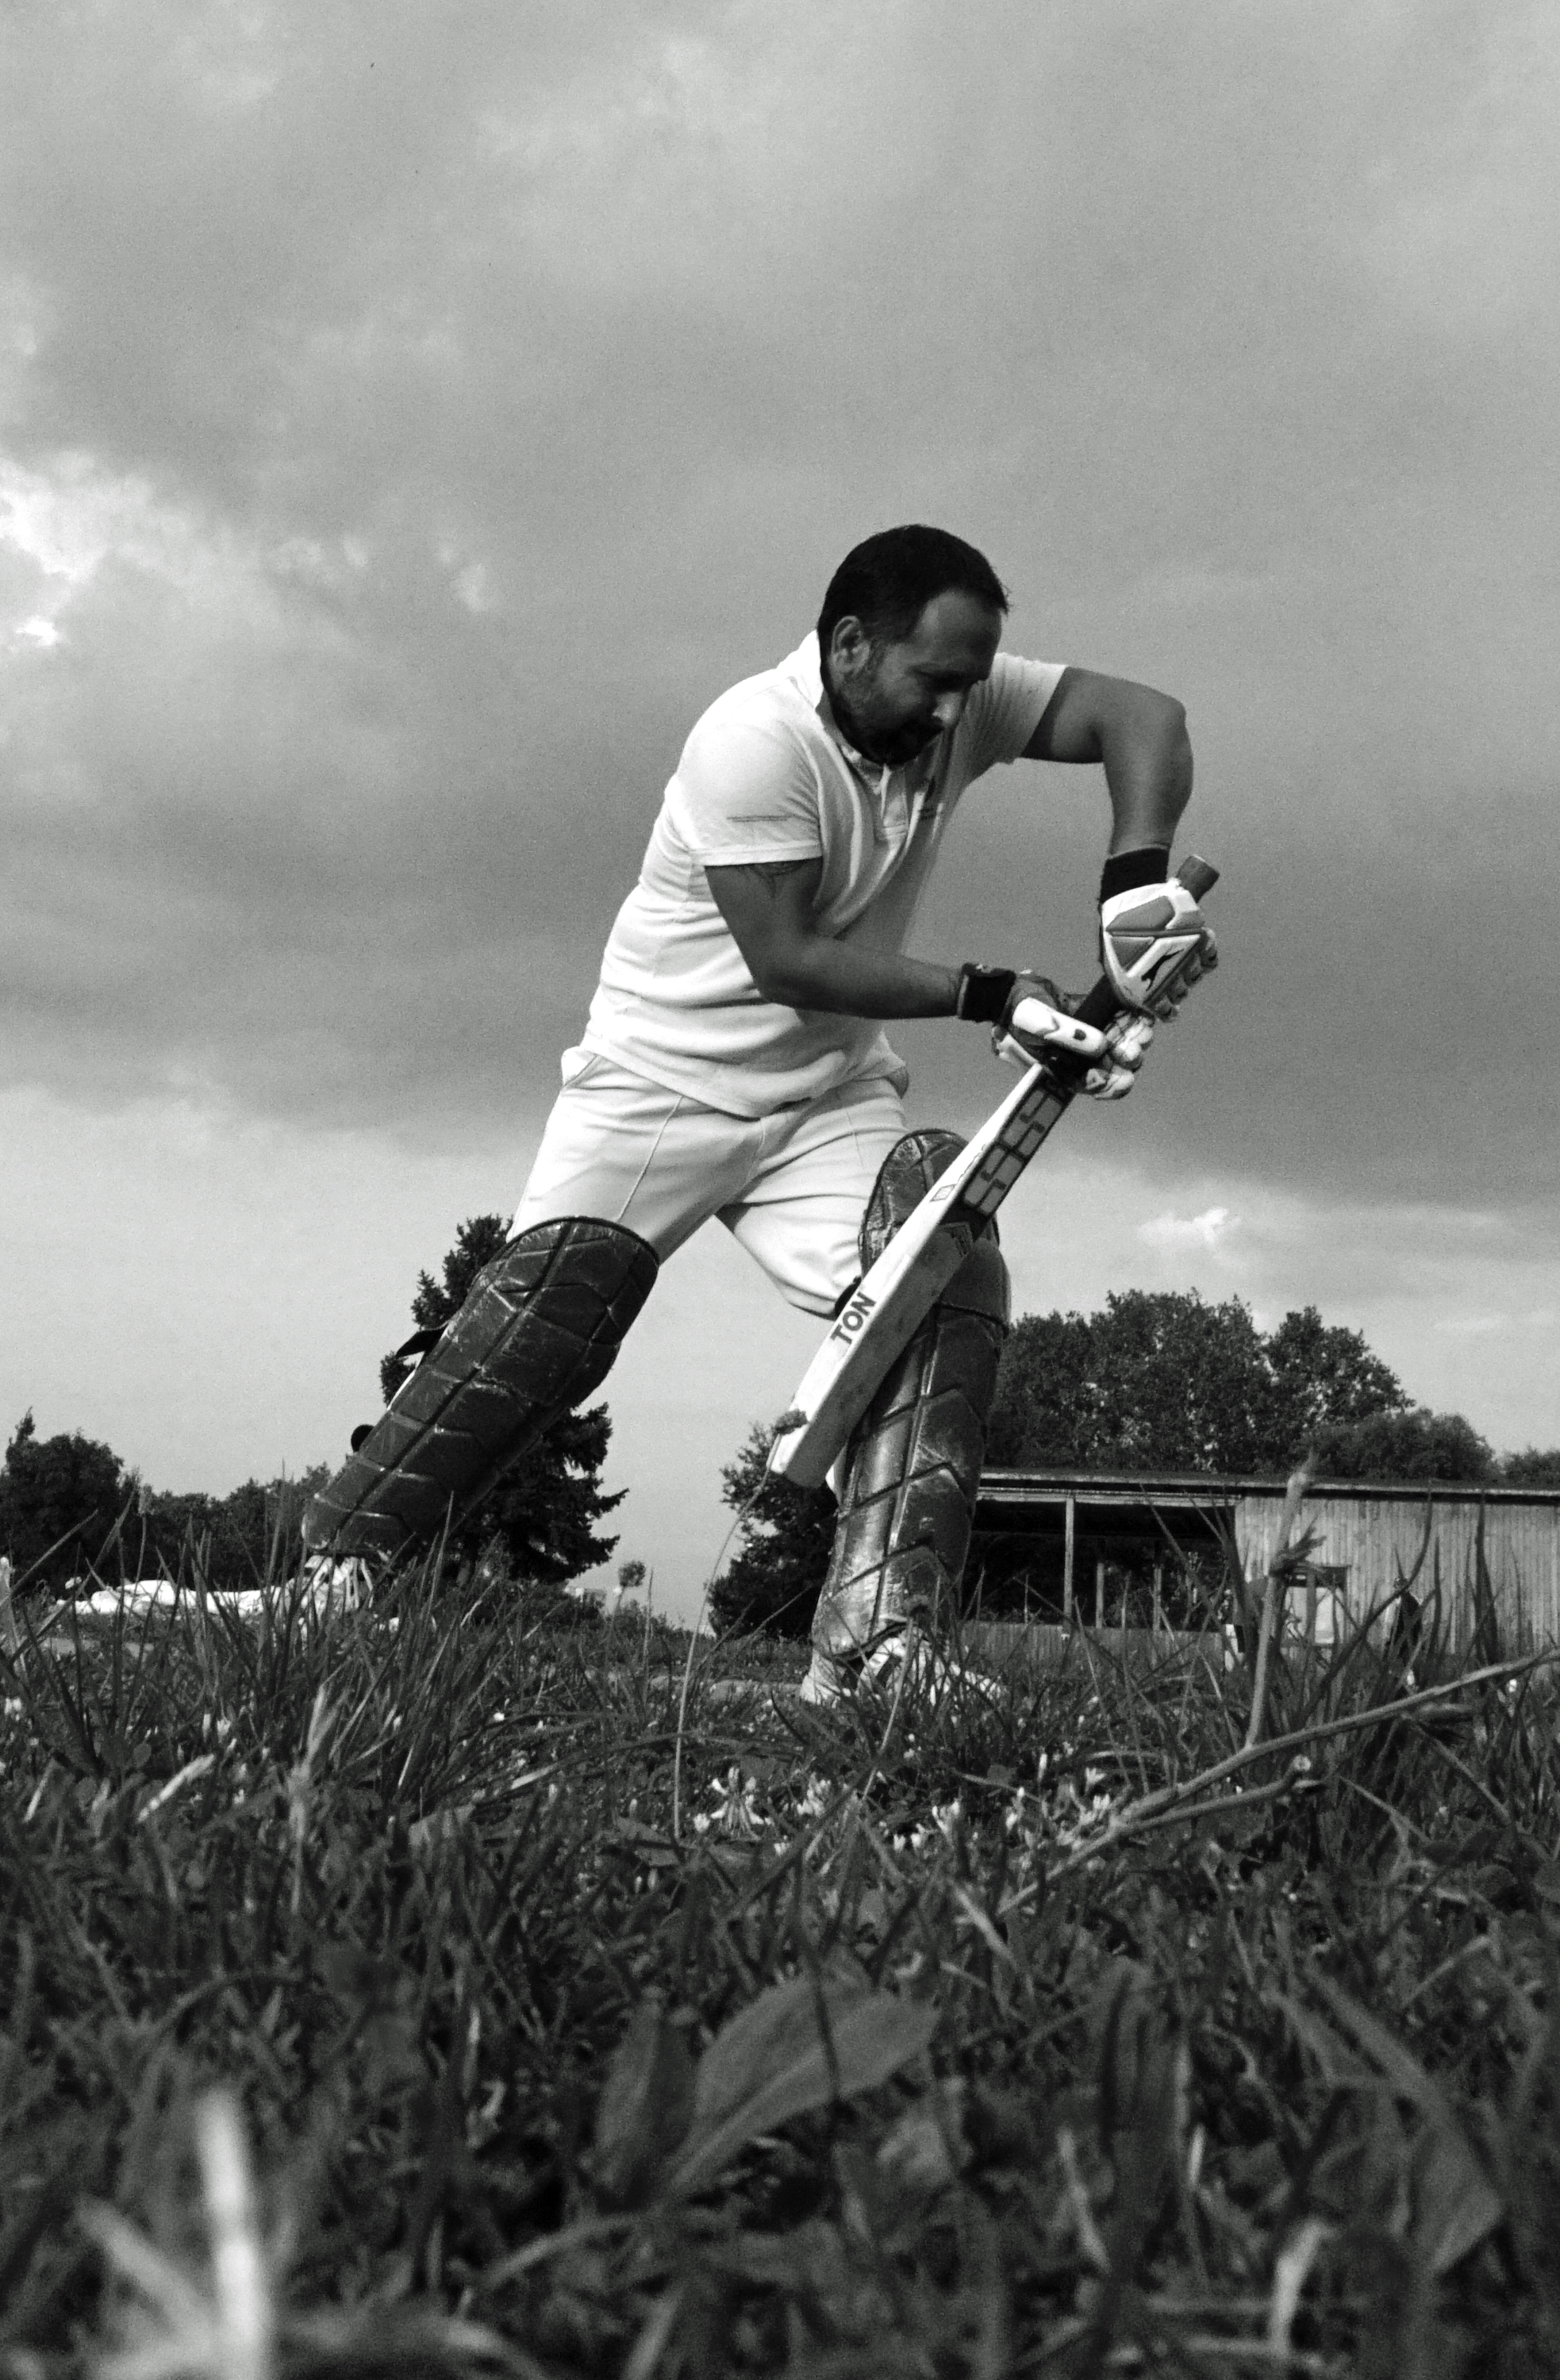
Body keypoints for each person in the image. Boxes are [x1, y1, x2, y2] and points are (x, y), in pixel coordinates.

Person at [302, 528, 1200, 1700]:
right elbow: (787, 958)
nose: (955, 713)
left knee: (940, 1265)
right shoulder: (752, 741)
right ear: (849, 646)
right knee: (554, 1319)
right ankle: (337, 1577)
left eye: (971, 686)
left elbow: (1148, 717)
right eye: (934, 682)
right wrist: (987, 994)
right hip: (658, 1082)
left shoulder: (957, 700)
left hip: (822, 1096)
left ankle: (882, 1650)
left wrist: (1137, 878)